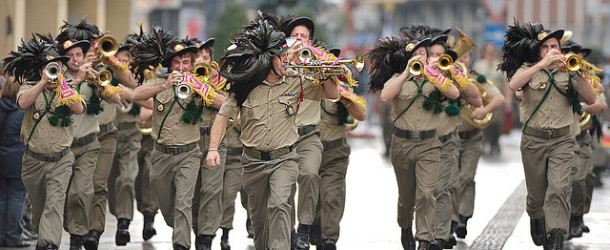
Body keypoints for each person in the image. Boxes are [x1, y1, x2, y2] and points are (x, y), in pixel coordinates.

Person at [207, 18, 337, 250]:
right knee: (260, 220)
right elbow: (223, 116)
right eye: (282, 56)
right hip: (253, 163)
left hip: (284, 159)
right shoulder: (245, 86)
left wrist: (327, 75)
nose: (288, 60)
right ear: (269, 59)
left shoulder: (296, 80)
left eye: (288, 55)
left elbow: (331, 94)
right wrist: (213, 148)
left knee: (279, 205)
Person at [499, 21, 596, 250]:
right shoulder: (528, 68)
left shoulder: (569, 71)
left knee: (559, 189)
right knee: (536, 195)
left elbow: (591, 99)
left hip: (562, 140)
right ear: (538, 51)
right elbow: (514, 85)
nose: (552, 50)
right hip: (534, 140)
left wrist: (577, 73)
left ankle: (556, 237)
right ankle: (535, 215)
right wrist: (542, 64)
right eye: (546, 47)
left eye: (555, 46)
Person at [125, 26, 222, 250]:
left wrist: (200, 88)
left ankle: (181, 245)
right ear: (170, 65)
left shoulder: (200, 83)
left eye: (185, 62)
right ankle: (177, 227)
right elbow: (134, 94)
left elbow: (223, 104)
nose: (181, 67)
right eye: (176, 63)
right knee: (168, 207)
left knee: (183, 204)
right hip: (161, 155)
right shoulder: (160, 82)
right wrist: (165, 85)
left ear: (192, 63)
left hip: (189, 154)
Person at [367, 35, 459, 250]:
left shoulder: (435, 77)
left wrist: (430, 73)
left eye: (423, 54)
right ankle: (405, 226)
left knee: (427, 193)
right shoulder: (398, 77)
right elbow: (385, 97)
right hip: (402, 144)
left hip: (429, 144)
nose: (420, 57)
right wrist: (408, 71)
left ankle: (424, 239)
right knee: (407, 197)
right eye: (415, 54)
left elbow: (454, 92)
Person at [3, 34, 85, 250]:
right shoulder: (29, 87)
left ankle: (49, 244)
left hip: (61, 159)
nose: (53, 70)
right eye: (49, 67)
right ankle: (43, 235)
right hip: (34, 161)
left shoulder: (68, 87)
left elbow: (79, 108)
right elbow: (22, 103)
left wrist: (61, 85)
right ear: (40, 70)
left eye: (57, 66)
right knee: (39, 208)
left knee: (54, 203)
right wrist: (42, 82)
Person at [54, 17, 121, 250]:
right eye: (73, 52)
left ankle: (85, 233)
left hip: (95, 139)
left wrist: (100, 75)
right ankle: (72, 228)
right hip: (63, 143)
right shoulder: (58, 76)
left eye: (83, 50)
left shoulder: (100, 72)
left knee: (89, 188)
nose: (79, 56)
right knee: (66, 194)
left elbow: (119, 97)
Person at [452, 29, 505, 240]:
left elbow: (498, 98)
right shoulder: (444, 78)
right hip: (451, 137)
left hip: (472, 136)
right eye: (459, 56)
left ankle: (463, 217)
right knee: (450, 180)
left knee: (467, 177)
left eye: (466, 56)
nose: (463, 60)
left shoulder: (477, 77)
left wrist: (483, 109)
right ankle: (451, 219)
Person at [560, 40, 607, 239]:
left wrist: (585, 107)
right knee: (561, 183)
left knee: (581, 179)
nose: (577, 57)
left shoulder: (590, 78)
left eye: (580, 54)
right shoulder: (557, 76)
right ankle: (563, 221)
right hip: (561, 138)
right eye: (572, 53)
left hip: (582, 137)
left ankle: (577, 217)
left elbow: (601, 105)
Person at [189, 37, 227, 250]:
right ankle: (197, 229)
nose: (202, 60)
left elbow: (226, 104)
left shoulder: (221, 80)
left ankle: (206, 237)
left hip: (215, 138)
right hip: (191, 139)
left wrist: (206, 89)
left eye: (206, 57)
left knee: (211, 189)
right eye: (198, 57)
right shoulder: (185, 79)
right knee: (193, 191)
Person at [0, 75, 29, 248]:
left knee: (3, 198)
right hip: (17, 159)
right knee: (17, 198)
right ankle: (12, 237)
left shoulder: (1, 108)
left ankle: (2, 235)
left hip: (2, 159)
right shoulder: (21, 113)